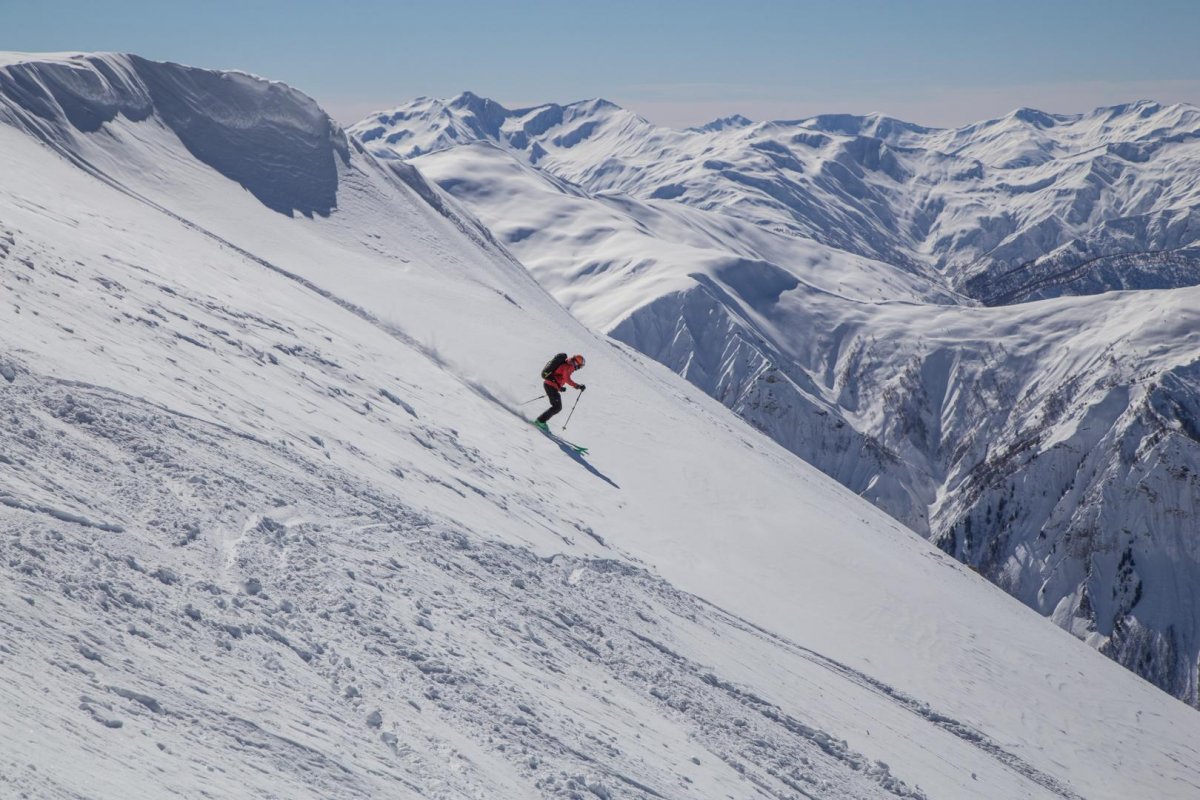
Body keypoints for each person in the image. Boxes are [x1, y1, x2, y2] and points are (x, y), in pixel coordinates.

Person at [535, 354, 585, 429]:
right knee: (557, 407)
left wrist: (559, 388)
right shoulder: (569, 366)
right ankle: (540, 421)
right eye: (580, 366)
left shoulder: (568, 364)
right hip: (550, 386)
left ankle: (541, 421)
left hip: (551, 385)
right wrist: (577, 386)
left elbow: (559, 376)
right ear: (577, 363)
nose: (579, 368)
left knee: (557, 407)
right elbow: (567, 379)